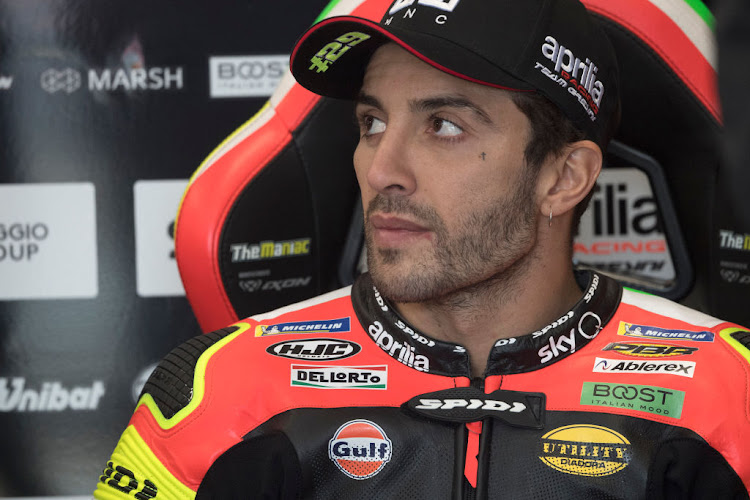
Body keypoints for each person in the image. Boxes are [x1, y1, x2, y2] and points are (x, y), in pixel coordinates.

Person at [93, 0, 750, 498]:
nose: (382, 168)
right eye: (372, 123)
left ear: (563, 176)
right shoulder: (217, 394)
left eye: (443, 125)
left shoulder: (729, 399)